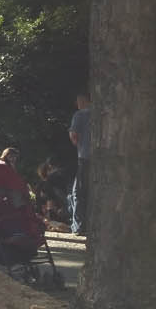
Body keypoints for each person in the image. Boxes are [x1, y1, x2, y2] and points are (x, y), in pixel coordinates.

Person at [68, 90, 91, 235]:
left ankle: (79, 226)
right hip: (101, 158)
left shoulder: (80, 115)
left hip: (85, 156)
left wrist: (78, 144)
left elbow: (74, 136)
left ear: (81, 101)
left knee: (78, 192)